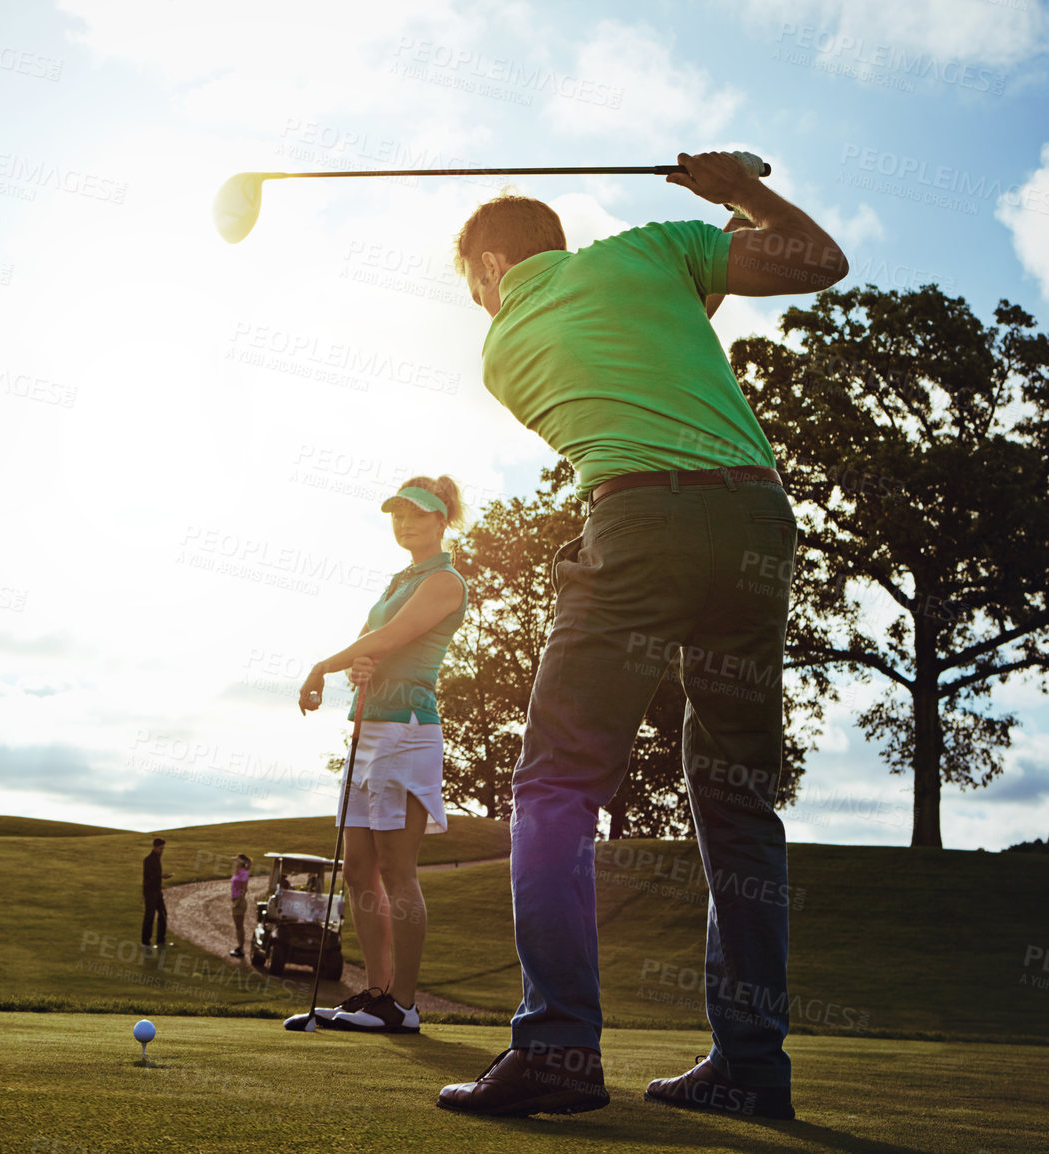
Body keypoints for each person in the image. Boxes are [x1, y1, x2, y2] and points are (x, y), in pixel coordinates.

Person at [434, 152, 846, 1119]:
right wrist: (731, 192)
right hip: (756, 522)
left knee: (556, 786)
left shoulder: (502, 351)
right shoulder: (655, 252)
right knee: (740, 802)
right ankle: (750, 1065)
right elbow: (816, 261)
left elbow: (636, 347)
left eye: (471, 288)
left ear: (491, 272)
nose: (478, 305)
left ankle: (558, 1047)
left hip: (636, 526)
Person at [297, 476, 469, 1034]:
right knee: (357, 871)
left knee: (397, 868)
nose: (405, 522)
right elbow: (374, 647)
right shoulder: (400, 579)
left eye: (418, 514)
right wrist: (358, 666)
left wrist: (324, 664)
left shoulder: (445, 580)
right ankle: (376, 991)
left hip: (407, 731)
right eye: (397, 513)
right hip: (370, 728)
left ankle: (404, 1004)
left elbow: (392, 637)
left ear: (443, 520)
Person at [141, 837, 172, 949]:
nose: (162, 850)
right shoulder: (148, 860)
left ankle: (160, 940)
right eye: (160, 848)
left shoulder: (157, 858)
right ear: (154, 847)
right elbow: (149, 877)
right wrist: (162, 876)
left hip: (157, 891)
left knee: (163, 914)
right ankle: (145, 942)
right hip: (150, 892)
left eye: (163, 848)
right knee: (149, 916)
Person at [228, 854, 252, 958]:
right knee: (237, 926)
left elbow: (244, 889)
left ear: (241, 862)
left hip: (239, 901)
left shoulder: (243, 873)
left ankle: (241, 948)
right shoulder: (237, 872)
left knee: (239, 926)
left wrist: (238, 900)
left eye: (237, 861)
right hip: (235, 900)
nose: (235, 862)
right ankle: (240, 947)